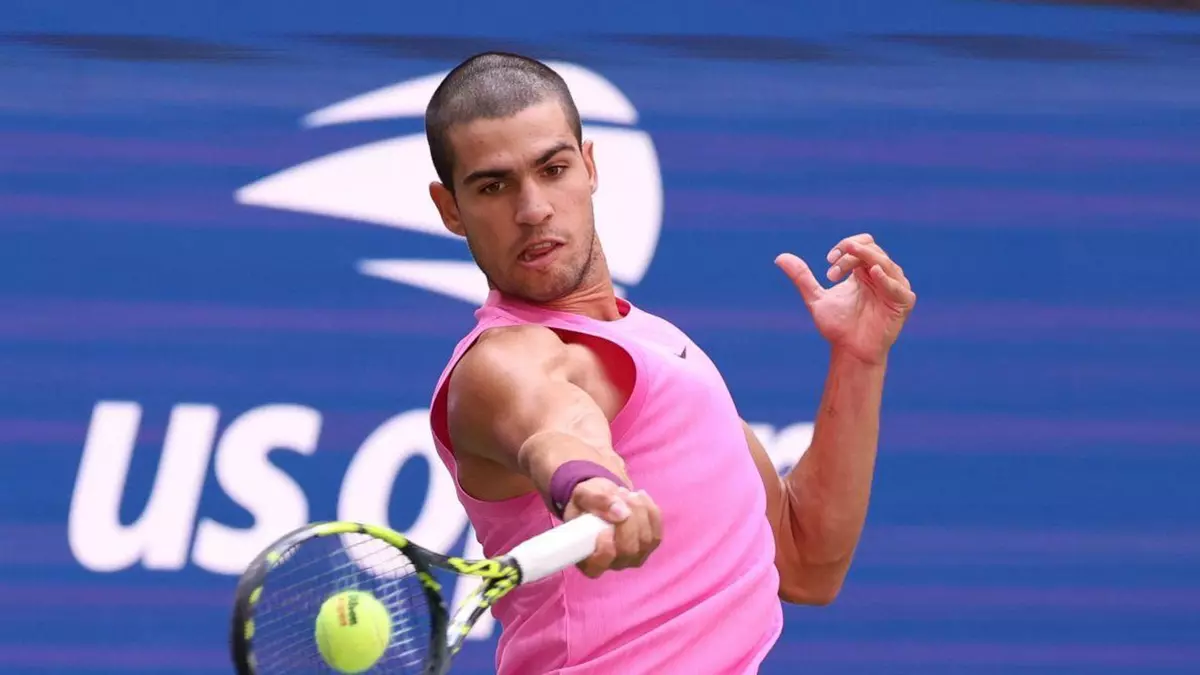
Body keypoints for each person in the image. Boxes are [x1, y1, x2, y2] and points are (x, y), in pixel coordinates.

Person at [424, 52, 916, 675]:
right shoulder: (496, 364)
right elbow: (554, 426)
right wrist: (590, 487)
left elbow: (805, 561)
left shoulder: (660, 345)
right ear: (450, 209)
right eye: (493, 186)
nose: (533, 208)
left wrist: (859, 359)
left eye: (553, 169)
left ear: (589, 166)